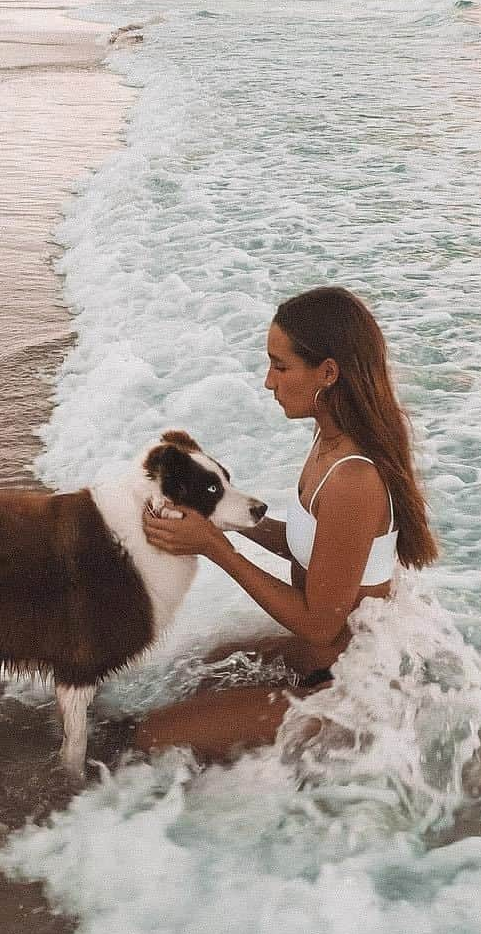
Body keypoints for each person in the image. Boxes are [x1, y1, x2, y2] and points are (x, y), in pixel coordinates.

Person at [137, 285, 439, 759]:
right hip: (330, 656)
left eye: (280, 366)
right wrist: (219, 518)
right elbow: (316, 547)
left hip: (353, 689)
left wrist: (215, 547)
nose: (268, 381)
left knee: (151, 739)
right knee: (199, 672)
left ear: (328, 373)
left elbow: (319, 624)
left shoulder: (352, 479)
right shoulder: (329, 440)